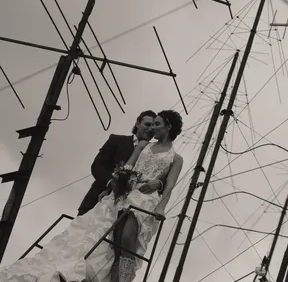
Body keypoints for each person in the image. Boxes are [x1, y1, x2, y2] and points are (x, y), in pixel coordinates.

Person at [0, 110, 184, 282]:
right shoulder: (140, 145)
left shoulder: (176, 158)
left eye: (157, 124)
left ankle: (123, 278)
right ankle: (79, 268)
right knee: (99, 236)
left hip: (145, 199)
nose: (152, 128)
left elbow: (169, 182)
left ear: (168, 126)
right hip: (122, 193)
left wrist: (161, 203)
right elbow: (121, 167)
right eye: (149, 124)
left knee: (128, 236)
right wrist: (115, 184)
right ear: (138, 124)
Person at [78, 110, 162, 216]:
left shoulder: (154, 153)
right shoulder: (117, 140)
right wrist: (111, 183)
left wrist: (159, 183)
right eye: (147, 124)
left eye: (153, 127)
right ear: (137, 123)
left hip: (127, 210)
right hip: (97, 200)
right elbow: (97, 166)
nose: (150, 129)